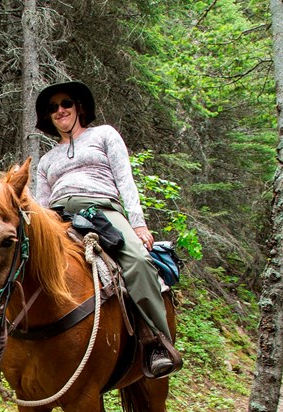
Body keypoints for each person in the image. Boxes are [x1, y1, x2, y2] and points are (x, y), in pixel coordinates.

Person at [34, 81, 182, 378]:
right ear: (49, 117)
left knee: (139, 262)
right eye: (53, 108)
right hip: (59, 217)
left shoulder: (104, 135)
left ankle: (157, 343)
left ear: (79, 107)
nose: (60, 110)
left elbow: (125, 179)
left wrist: (138, 223)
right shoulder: (47, 160)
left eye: (66, 104)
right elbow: (41, 203)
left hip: (102, 211)